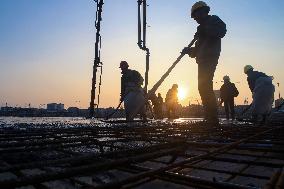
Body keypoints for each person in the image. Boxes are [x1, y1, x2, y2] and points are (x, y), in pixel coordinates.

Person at [181, 1, 226, 124]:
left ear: (203, 12)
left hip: (210, 58)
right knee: (203, 87)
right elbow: (198, 50)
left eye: (195, 16)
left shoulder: (213, 20)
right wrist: (188, 50)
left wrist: (204, 30)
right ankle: (210, 116)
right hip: (202, 59)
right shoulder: (201, 29)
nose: (195, 19)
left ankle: (212, 117)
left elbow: (221, 31)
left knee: (205, 86)